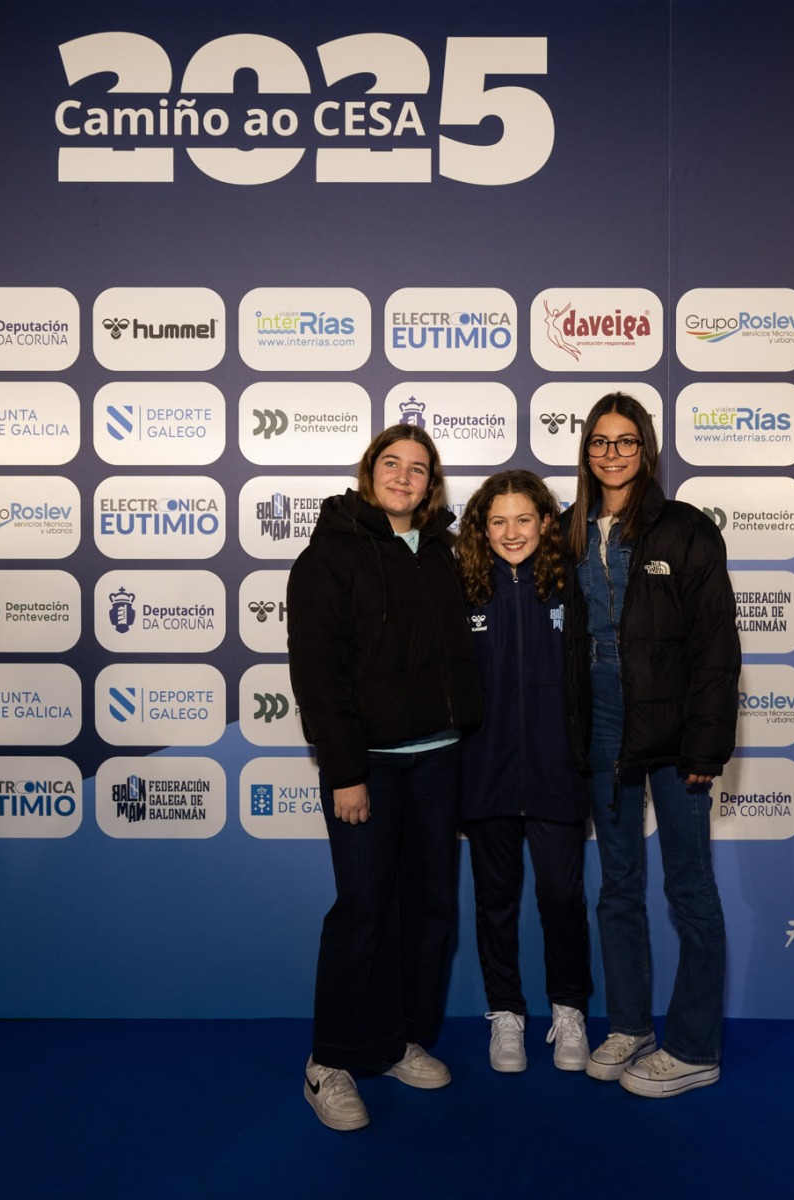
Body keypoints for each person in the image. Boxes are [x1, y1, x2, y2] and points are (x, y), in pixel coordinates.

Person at [287, 424, 483, 1131]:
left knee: (429, 910)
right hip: (368, 765)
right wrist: (345, 771)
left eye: (418, 468)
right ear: (369, 472)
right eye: (392, 463)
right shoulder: (329, 555)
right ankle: (330, 1062)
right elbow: (318, 675)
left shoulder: (440, 554)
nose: (404, 476)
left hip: (438, 759)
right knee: (365, 909)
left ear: (432, 484)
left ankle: (398, 1040)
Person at [563, 392, 740, 1098]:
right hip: (602, 716)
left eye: (625, 441)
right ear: (587, 452)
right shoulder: (572, 530)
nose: (612, 454)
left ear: (646, 449)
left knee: (689, 885)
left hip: (674, 724)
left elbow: (716, 645)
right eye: (600, 442)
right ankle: (630, 1025)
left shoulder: (685, 528)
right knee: (617, 884)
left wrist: (705, 747)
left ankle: (695, 1047)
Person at [454, 470, 592, 1073]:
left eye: (524, 519)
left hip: (557, 770)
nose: (512, 533)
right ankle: (506, 1013)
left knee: (562, 897)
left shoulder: (572, 582)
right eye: (498, 521)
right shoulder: (462, 586)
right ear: (481, 528)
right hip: (485, 771)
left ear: (546, 522)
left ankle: (570, 1009)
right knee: (495, 902)